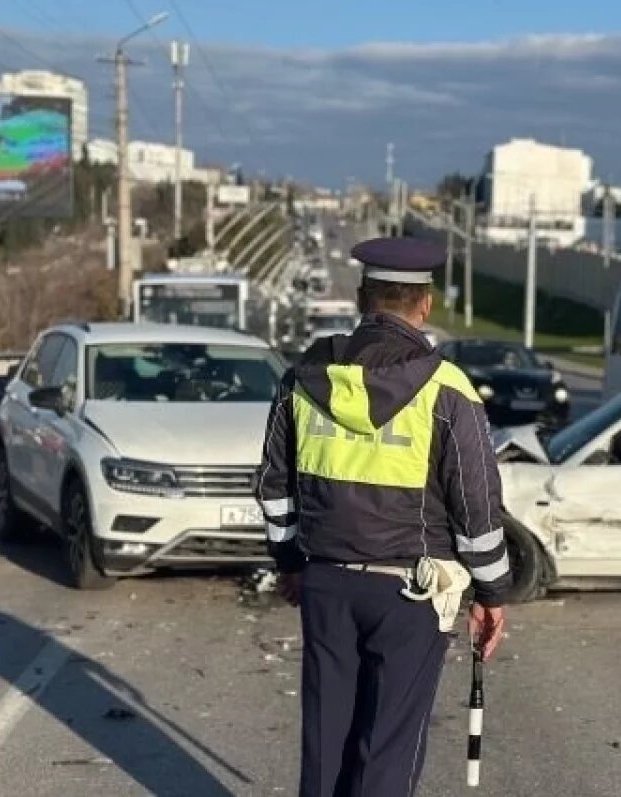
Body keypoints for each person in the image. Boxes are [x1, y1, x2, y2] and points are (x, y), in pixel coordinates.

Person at [255, 236, 512, 797]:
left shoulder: (303, 378)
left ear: (360, 298)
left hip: (325, 582)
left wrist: (289, 563)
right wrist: (493, 594)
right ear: (425, 305)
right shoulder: (449, 392)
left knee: (325, 742)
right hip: (411, 597)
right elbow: (477, 509)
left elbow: (274, 489)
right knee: (388, 750)